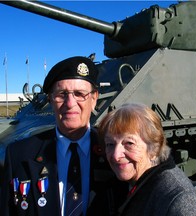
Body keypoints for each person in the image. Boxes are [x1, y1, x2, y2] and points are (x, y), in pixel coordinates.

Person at [0, 56, 127, 216]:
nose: (70, 103)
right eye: (61, 94)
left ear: (94, 99)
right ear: (51, 100)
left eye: (80, 94)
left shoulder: (116, 155)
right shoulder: (19, 155)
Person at [97, 103, 196, 216]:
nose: (116, 155)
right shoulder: (124, 184)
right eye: (110, 144)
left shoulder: (178, 199)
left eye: (129, 143)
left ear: (154, 149)